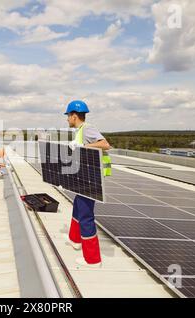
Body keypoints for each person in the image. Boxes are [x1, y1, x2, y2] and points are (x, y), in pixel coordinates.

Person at [64, 100, 111, 267]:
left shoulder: (87, 129)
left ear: (74, 116)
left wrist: (83, 145)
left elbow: (105, 145)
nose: (67, 119)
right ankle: (75, 240)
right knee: (78, 205)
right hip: (87, 176)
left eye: (68, 116)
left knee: (85, 215)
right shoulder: (80, 131)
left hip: (93, 179)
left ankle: (92, 259)